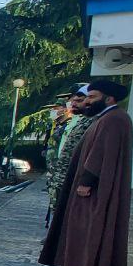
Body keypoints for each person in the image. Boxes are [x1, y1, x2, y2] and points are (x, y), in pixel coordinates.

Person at [39, 80, 132, 266]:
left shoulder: (113, 119)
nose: (87, 101)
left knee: (88, 225)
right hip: (94, 185)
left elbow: (101, 154)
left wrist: (86, 181)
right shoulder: (106, 118)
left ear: (109, 98)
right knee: (81, 224)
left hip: (95, 188)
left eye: (92, 97)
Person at [48, 84, 93, 214]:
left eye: (79, 100)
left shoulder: (90, 122)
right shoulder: (75, 121)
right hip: (60, 176)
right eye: (72, 100)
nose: (73, 103)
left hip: (72, 178)